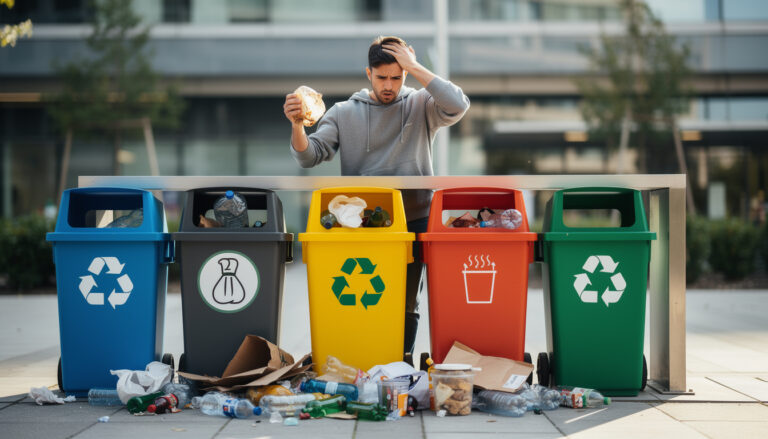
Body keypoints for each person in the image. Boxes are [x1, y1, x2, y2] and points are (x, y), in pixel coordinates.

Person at [284, 35, 470, 354]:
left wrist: (415, 65)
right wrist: (297, 126)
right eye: (382, 77)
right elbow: (309, 155)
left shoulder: (421, 104)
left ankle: (401, 367)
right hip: (360, 226)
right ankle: (364, 360)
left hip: (413, 220)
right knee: (361, 296)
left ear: (406, 75)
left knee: (407, 300)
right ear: (368, 73)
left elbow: (458, 105)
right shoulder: (344, 112)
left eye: (397, 78)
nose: (389, 85)